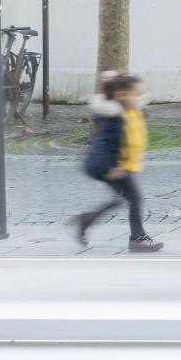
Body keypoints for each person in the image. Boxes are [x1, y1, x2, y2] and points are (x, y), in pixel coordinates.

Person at [73, 71, 162, 253]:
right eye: (136, 94)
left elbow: (138, 123)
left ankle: (86, 220)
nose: (139, 98)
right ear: (122, 96)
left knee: (124, 198)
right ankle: (137, 238)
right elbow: (106, 144)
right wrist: (112, 167)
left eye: (140, 94)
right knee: (134, 198)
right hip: (106, 164)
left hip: (116, 164)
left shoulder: (130, 111)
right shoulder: (114, 119)